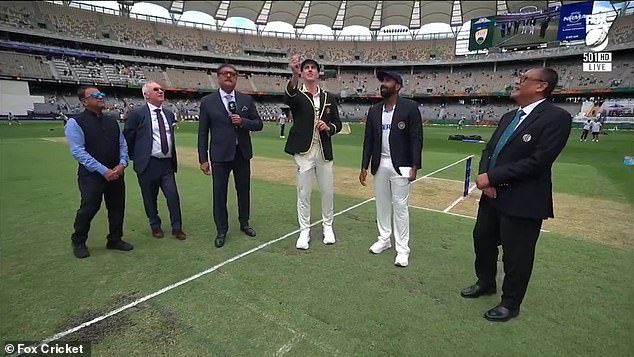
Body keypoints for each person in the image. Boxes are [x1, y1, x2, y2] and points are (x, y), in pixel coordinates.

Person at [461, 68, 571, 322]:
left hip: (524, 199)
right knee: (483, 239)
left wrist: (493, 177)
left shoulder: (557, 118)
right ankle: (485, 282)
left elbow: (538, 162)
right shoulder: (510, 116)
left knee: (517, 254)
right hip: (492, 196)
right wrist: (485, 176)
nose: (517, 82)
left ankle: (510, 303)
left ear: (541, 86)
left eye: (523, 79)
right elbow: (490, 150)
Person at [359, 71, 422, 267]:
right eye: (382, 81)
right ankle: (384, 239)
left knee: (401, 207)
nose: (383, 84)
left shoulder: (410, 108)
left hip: (401, 164)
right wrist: (364, 165)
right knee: (382, 204)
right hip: (380, 163)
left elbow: (416, 138)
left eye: (387, 81)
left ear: (398, 86)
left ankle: (402, 250)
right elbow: (368, 140)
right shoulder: (374, 110)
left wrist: (415, 165)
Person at [198, 64, 263, 248]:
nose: (229, 76)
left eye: (233, 74)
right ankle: (221, 229)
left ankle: (244, 223)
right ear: (218, 77)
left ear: (236, 78)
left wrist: (243, 122)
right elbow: (203, 132)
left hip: (242, 154)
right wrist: (203, 159)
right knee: (219, 193)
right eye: (225, 74)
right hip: (219, 156)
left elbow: (258, 124)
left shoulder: (246, 100)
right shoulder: (208, 101)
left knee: (244, 191)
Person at [65, 86, 134, 258]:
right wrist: (103, 170)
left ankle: (115, 239)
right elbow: (78, 152)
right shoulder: (75, 122)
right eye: (95, 95)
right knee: (89, 208)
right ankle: (79, 241)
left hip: (116, 173)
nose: (100, 97)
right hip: (92, 176)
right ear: (84, 101)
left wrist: (122, 163)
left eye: (101, 94)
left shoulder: (112, 121)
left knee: (117, 207)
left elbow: (122, 144)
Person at [284, 55, 342, 250]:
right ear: (302, 72)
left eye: (313, 68)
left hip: (324, 151)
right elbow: (289, 96)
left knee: (327, 191)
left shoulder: (329, 98)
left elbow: (338, 124)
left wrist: (329, 127)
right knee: (304, 193)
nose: (309, 70)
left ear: (318, 73)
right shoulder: (297, 95)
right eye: (306, 67)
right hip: (304, 152)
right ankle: (304, 231)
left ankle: (328, 227)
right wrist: (293, 75)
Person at [123, 81, 186, 240]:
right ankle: (155, 225)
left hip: (166, 164)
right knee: (150, 198)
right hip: (147, 164)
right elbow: (128, 138)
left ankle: (177, 227)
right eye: (156, 89)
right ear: (146, 95)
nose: (160, 91)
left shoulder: (169, 114)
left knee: (173, 196)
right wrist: (136, 158)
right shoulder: (136, 114)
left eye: (161, 89)